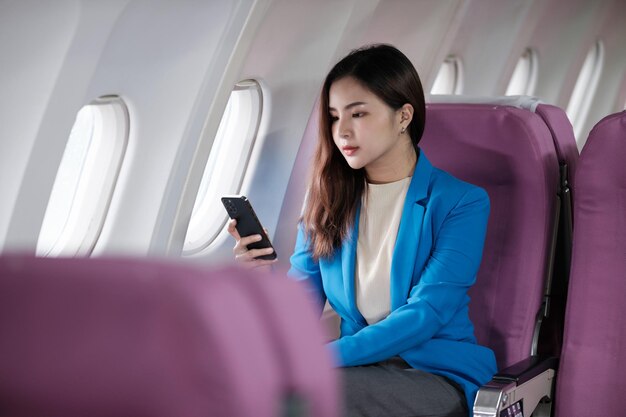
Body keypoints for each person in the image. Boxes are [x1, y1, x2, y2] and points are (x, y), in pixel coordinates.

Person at [228, 44, 497, 417]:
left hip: (433, 373)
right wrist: (259, 279)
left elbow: (426, 314)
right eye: (334, 117)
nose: (342, 132)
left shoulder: (460, 202)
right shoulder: (325, 201)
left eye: (358, 114)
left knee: (308, 395)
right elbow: (299, 311)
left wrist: (318, 360)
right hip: (358, 369)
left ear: (404, 116)